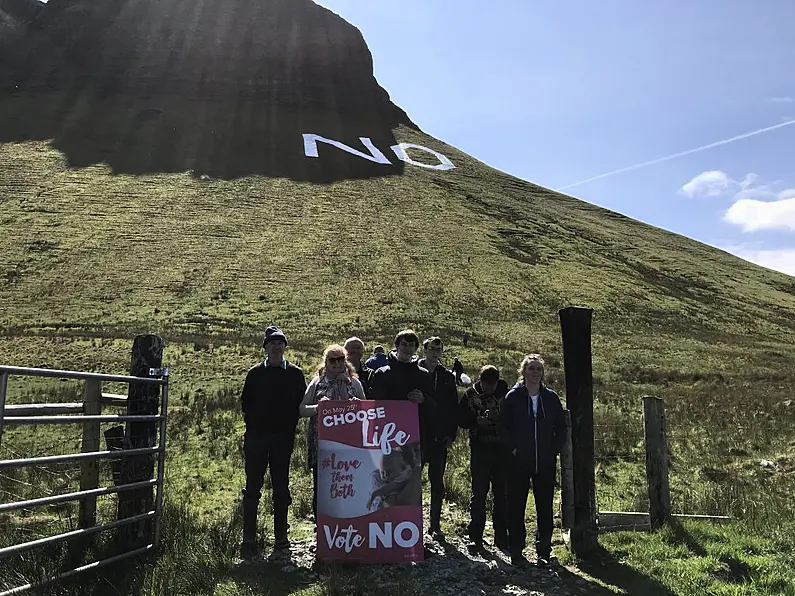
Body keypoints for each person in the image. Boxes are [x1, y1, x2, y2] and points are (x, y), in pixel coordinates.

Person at [239, 325, 307, 556]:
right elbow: (245, 403)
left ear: (285, 347)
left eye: (280, 343)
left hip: (282, 439)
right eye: (272, 343)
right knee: (252, 488)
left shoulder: (295, 374)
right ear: (266, 348)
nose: (276, 347)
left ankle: (281, 538)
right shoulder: (255, 373)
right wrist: (256, 422)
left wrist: (287, 424)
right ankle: (248, 537)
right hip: (257, 438)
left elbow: (301, 404)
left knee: (281, 487)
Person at [497, 354, 565, 567]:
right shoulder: (512, 397)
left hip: (544, 463)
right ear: (523, 372)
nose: (535, 372)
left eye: (538, 369)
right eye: (531, 368)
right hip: (518, 463)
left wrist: (552, 451)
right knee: (516, 506)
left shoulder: (551, 398)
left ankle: (543, 550)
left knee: (544, 508)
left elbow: (561, 429)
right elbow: (502, 428)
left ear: (542, 373)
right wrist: (514, 449)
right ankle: (516, 550)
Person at [299, 344, 366, 518]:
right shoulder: (317, 382)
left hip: (351, 446)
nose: (336, 363)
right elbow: (302, 409)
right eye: (332, 360)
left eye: (340, 359)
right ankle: (321, 531)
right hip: (322, 445)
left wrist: (357, 404)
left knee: (349, 487)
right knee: (322, 489)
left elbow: (367, 409)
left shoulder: (355, 382)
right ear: (326, 362)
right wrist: (318, 408)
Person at [459, 365, 509, 553]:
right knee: (479, 493)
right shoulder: (470, 395)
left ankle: (501, 537)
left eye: (493, 385)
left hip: (501, 450)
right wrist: (475, 421)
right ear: (480, 380)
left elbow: (512, 416)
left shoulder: (506, 392)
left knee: (501, 494)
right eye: (487, 385)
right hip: (480, 448)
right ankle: (476, 537)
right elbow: (461, 419)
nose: (490, 389)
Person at [369, 329, 437, 460]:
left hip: (415, 436)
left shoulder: (424, 375)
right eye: (404, 344)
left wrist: (423, 399)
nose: (407, 348)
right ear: (397, 346)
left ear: (416, 348)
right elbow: (373, 405)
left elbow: (433, 407)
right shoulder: (382, 373)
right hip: (386, 435)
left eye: (411, 345)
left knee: (411, 477)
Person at [418, 336, 459, 541]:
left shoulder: (447, 376)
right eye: (431, 348)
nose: (435, 352)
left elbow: (453, 407)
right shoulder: (415, 371)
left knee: (437, 483)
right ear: (424, 350)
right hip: (416, 434)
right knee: (412, 482)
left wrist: (451, 435)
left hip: (439, 436)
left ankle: (435, 525)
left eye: (438, 349)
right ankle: (411, 523)